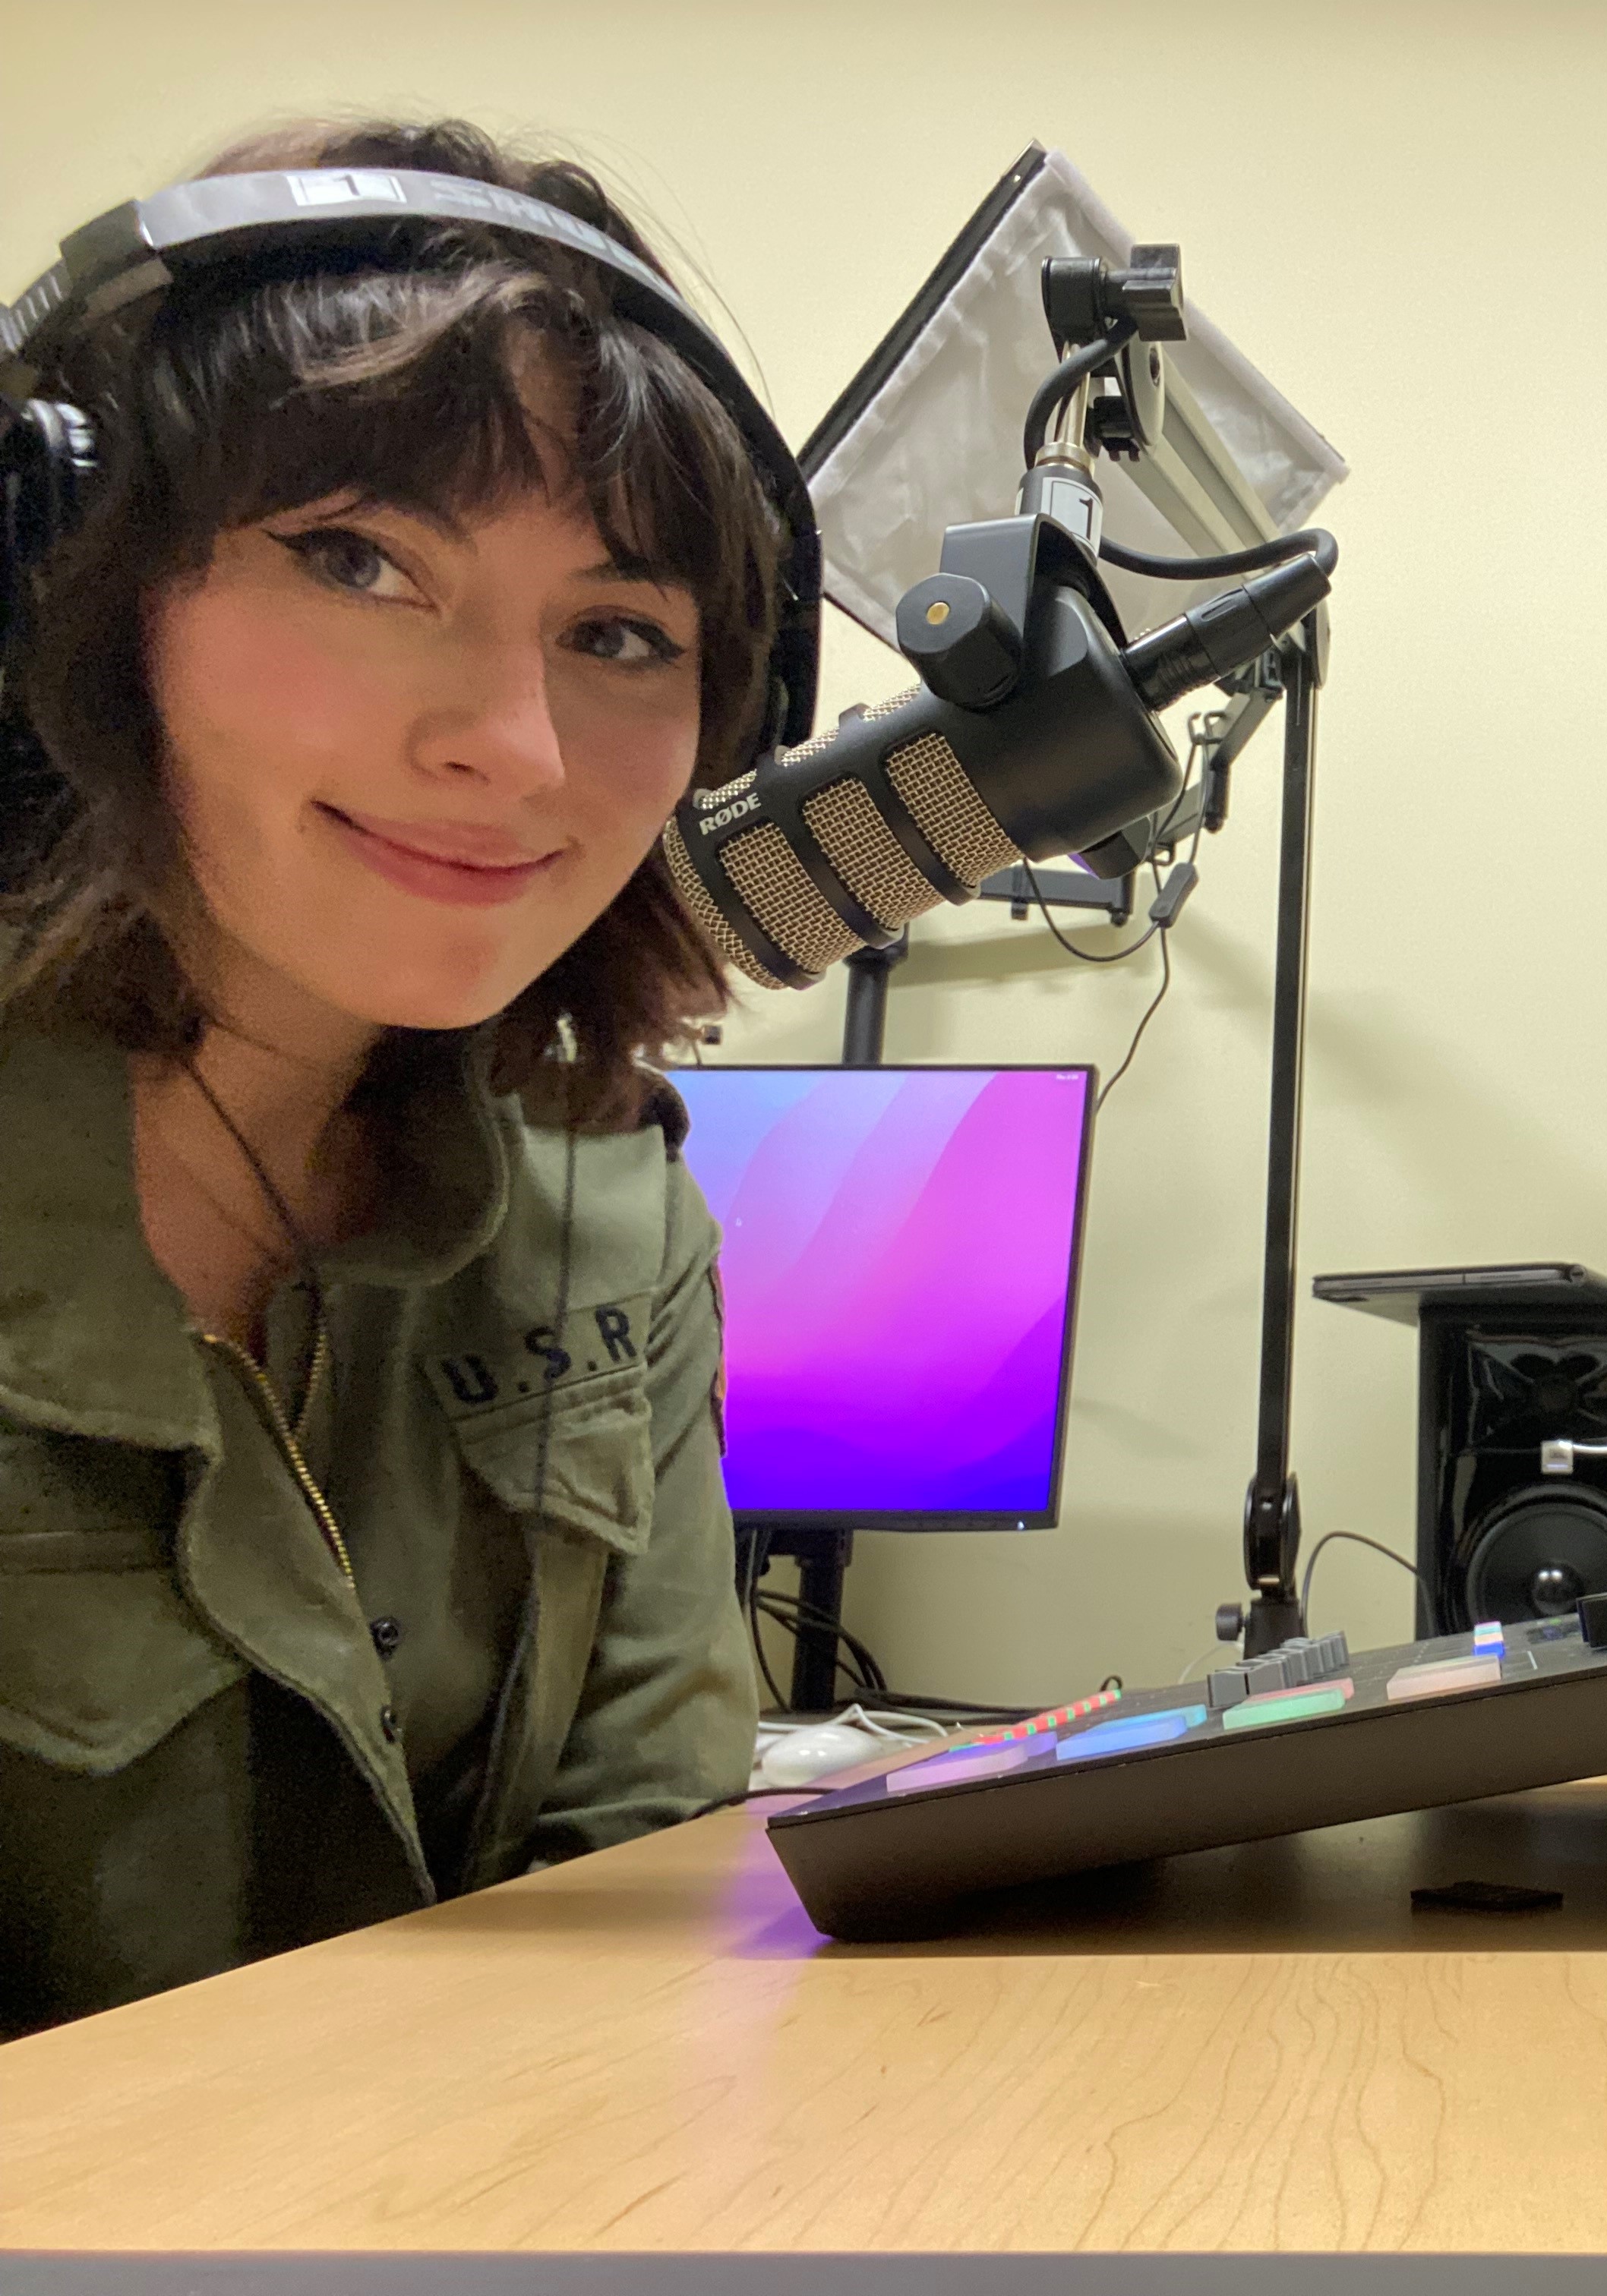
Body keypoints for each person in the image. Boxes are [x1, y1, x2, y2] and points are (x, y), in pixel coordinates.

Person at [0, 118, 789, 2035]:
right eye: (357, 561)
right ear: (69, 599)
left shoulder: (606, 1202)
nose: (519, 748)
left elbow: (641, 1896)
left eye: (617, 631)